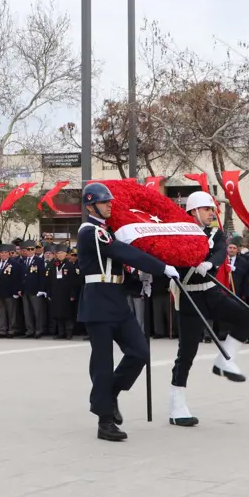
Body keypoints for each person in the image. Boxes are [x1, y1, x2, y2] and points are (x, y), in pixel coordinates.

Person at [77, 182, 176, 441]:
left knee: (139, 352)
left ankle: (110, 394)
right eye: (104, 201)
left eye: (109, 201)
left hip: (118, 301)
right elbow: (120, 251)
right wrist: (159, 266)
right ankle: (104, 420)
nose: (110, 204)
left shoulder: (106, 231)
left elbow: (119, 264)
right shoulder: (91, 232)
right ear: (90, 205)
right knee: (103, 364)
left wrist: (140, 281)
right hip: (98, 302)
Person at [169, 191, 249, 427]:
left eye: (211, 210)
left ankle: (224, 359)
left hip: (210, 291)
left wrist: (211, 263)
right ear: (194, 211)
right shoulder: (179, 231)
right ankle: (177, 404)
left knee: (244, 316)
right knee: (187, 353)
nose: (211, 214)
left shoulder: (214, 233)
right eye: (207, 210)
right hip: (188, 295)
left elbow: (219, 250)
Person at [45, 244, 79, 340]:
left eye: (62, 253)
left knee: (67, 314)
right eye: (58, 253)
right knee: (58, 314)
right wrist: (49, 293)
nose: (60, 255)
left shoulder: (70, 265)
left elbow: (74, 282)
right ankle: (61, 332)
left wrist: (73, 294)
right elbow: (49, 281)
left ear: (66, 255)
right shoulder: (53, 265)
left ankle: (69, 332)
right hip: (56, 293)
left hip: (66, 294)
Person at [0, 245, 21, 337]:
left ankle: (12, 330)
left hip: (10, 292)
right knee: (1, 312)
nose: (3, 254)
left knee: (11, 313)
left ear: (9, 254)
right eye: (2, 253)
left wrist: (16, 291)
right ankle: (2, 330)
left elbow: (17, 279)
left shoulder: (14, 264)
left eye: (5, 253)